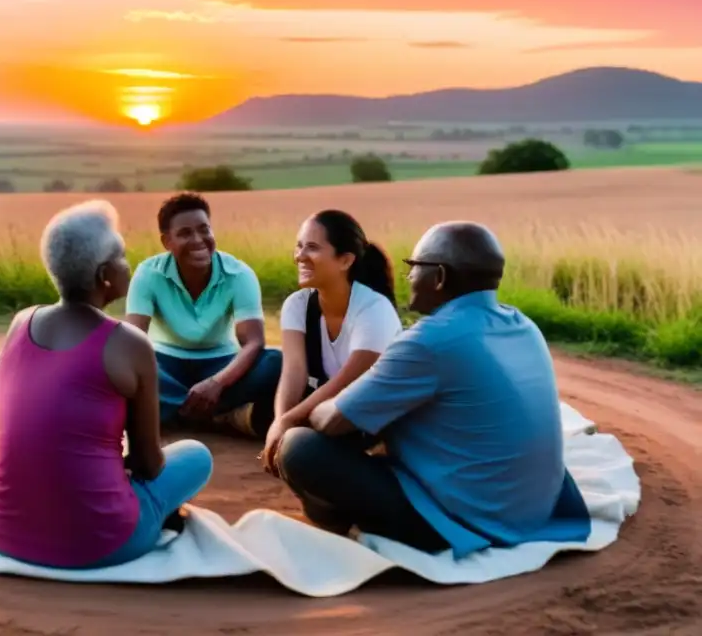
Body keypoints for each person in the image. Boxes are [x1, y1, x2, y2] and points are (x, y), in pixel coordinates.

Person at [273, 221, 592, 558]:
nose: (409, 276)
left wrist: (314, 410)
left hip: (469, 519)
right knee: (385, 414)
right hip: (536, 507)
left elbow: (332, 420)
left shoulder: (428, 341)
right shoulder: (523, 324)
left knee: (300, 447)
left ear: (438, 277)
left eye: (414, 267)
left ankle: (359, 524)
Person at [0, 200, 213, 570]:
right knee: (197, 456)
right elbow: (148, 465)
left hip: (2, 528)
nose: (128, 263)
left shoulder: (20, 323)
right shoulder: (130, 344)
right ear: (105, 275)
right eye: (121, 256)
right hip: (100, 541)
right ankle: (145, 519)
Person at [124, 192, 282, 437]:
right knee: (123, 366)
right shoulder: (148, 273)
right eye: (185, 233)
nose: (198, 240)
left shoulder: (238, 274)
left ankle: (171, 411)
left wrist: (217, 383)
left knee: (275, 361)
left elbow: (253, 342)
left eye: (204, 229)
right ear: (167, 242)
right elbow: (133, 340)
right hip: (164, 364)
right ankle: (219, 415)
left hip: (221, 364)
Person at [259, 210, 402, 466]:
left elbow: (350, 381)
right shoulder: (297, 305)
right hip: (329, 410)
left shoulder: (374, 309)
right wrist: (280, 422)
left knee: (302, 448)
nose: (300, 256)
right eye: (299, 246)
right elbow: (294, 372)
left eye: (312, 248)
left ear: (345, 260)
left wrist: (290, 423)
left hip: (370, 415)